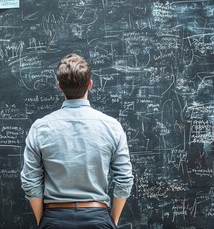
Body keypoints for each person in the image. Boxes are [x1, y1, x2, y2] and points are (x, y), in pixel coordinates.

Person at [20, 53, 134, 228]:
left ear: (59, 86)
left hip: (54, 218)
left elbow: (30, 181)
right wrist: (113, 221)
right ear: (90, 85)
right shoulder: (112, 126)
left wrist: (43, 221)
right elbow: (124, 179)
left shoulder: (40, 128)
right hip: (98, 217)